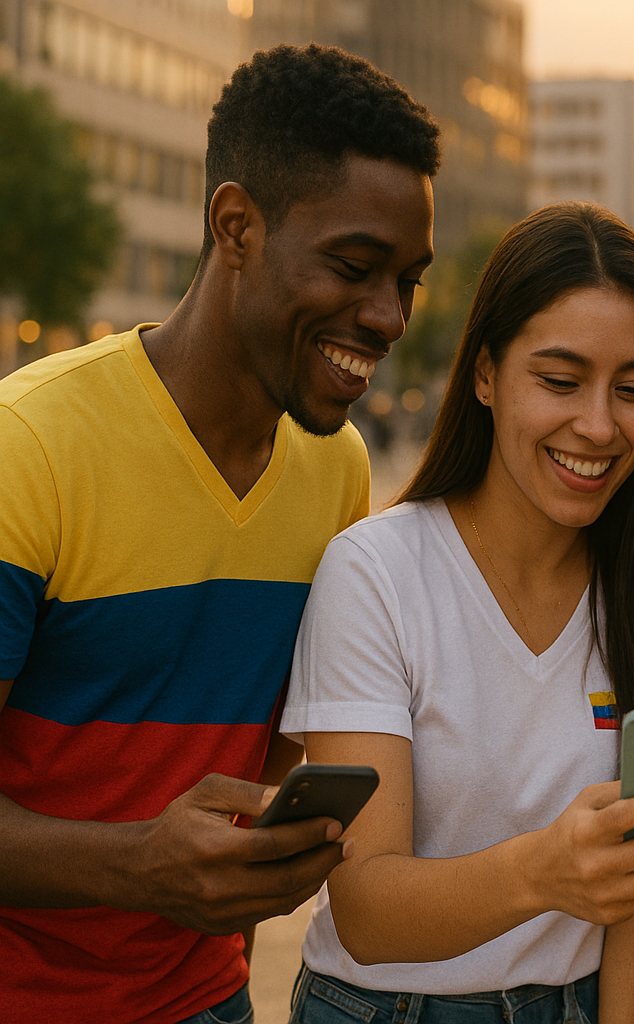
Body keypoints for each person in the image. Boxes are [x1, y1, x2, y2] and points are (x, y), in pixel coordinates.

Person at [0, 43, 438, 1024]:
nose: (388, 315)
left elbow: (253, 776)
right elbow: (160, 855)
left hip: (208, 1002)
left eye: (408, 279)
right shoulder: (25, 448)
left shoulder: (339, 470)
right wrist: (136, 867)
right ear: (234, 225)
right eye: (355, 266)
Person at [280, 202, 634, 1024]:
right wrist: (542, 872)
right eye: (559, 381)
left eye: (633, 390)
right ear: (485, 374)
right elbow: (367, 911)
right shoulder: (376, 572)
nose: (598, 425)